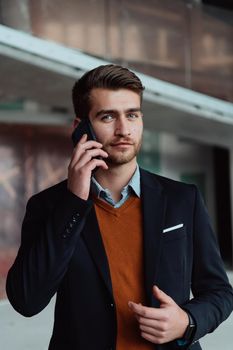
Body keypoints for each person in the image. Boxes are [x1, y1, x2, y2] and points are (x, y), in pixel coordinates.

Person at [6, 64, 233, 350]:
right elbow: (27, 301)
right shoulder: (48, 207)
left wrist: (187, 321)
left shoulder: (182, 199)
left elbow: (219, 291)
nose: (123, 129)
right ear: (81, 129)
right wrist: (74, 202)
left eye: (132, 115)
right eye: (107, 116)